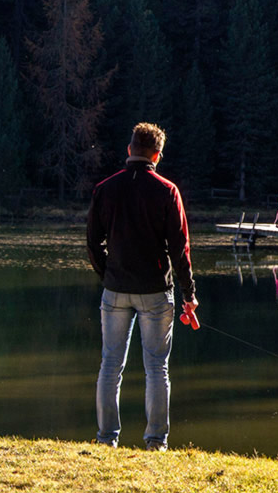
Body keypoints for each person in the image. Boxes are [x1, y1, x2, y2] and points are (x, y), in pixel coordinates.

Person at [87, 122, 198, 452]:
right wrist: (189, 294)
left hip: (115, 290)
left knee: (110, 365)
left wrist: (108, 274)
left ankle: (106, 440)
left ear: (129, 150)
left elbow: (93, 242)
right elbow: (180, 249)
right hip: (154, 292)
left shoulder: (106, 189)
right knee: (157, 368)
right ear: (157, 156)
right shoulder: (167, 191)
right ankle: (155, 441)